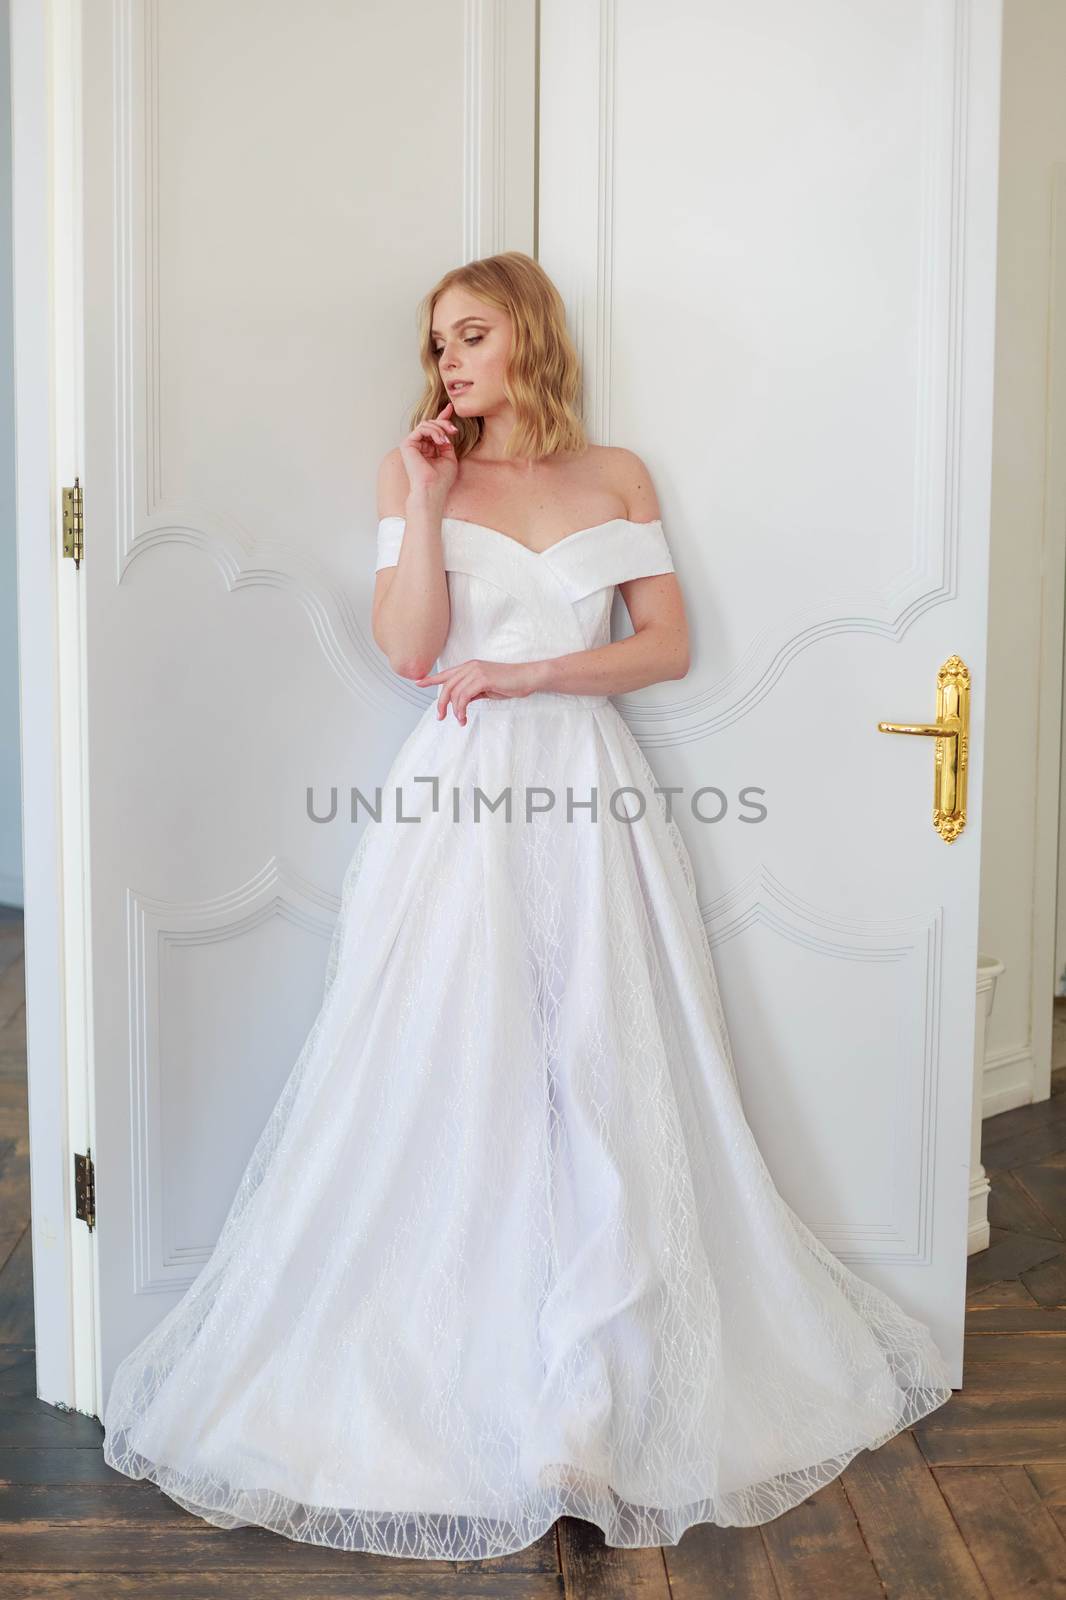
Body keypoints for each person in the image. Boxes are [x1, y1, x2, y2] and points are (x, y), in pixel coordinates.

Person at [101, 251, 954, 1561]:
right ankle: (476, 1363)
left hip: (590, 784)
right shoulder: (419, 472)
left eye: (471, 336)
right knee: (458, 1055)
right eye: (437, 344)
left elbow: (664, 644)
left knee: (607, 1055)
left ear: (529, 338)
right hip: (463, 796)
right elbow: (407, 647)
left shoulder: (617, 475)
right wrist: (431, 498)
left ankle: (607, 1372)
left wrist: (542, 671)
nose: (449, 363)